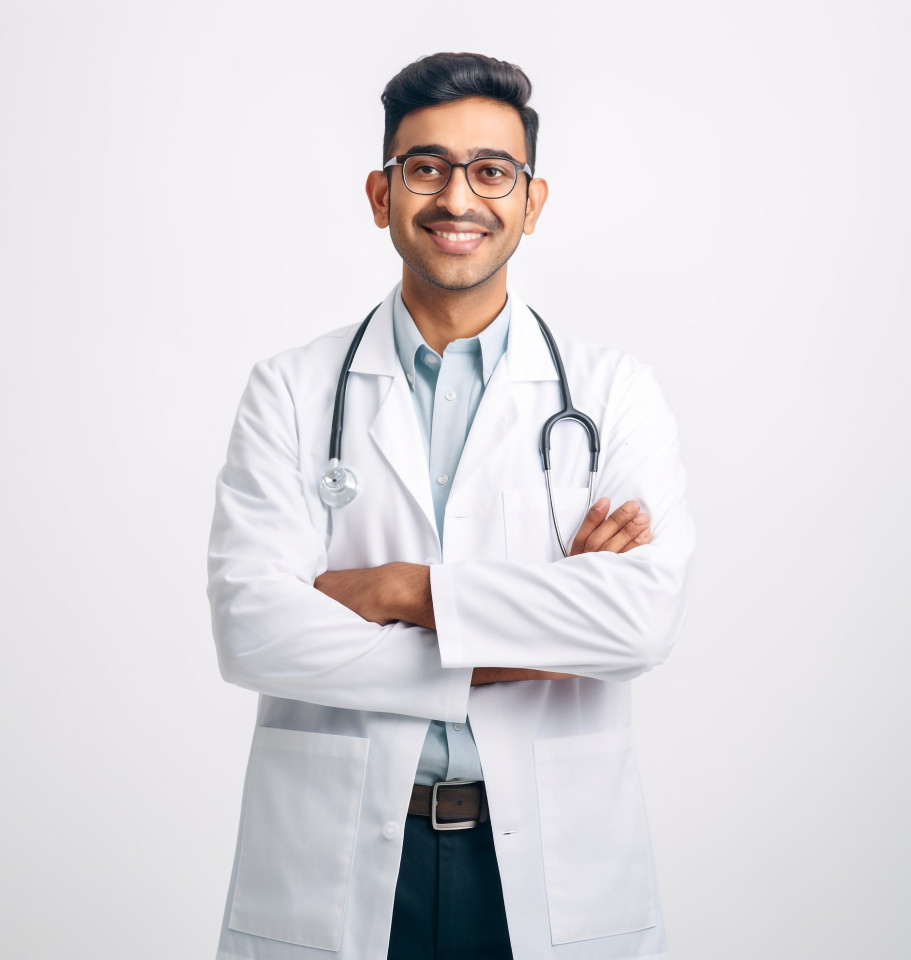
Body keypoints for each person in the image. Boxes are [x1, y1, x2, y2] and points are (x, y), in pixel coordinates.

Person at [208, 52, 694, 960]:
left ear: (532, 201)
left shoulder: (613, 392)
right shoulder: (290, 391)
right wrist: (530, 642)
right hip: (338, 859)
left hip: (547, 871)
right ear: (380, 192)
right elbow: (255, 629)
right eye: (425, 167)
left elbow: (639, 619)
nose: (457, 198)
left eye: (491, 171)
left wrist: (397, 589)